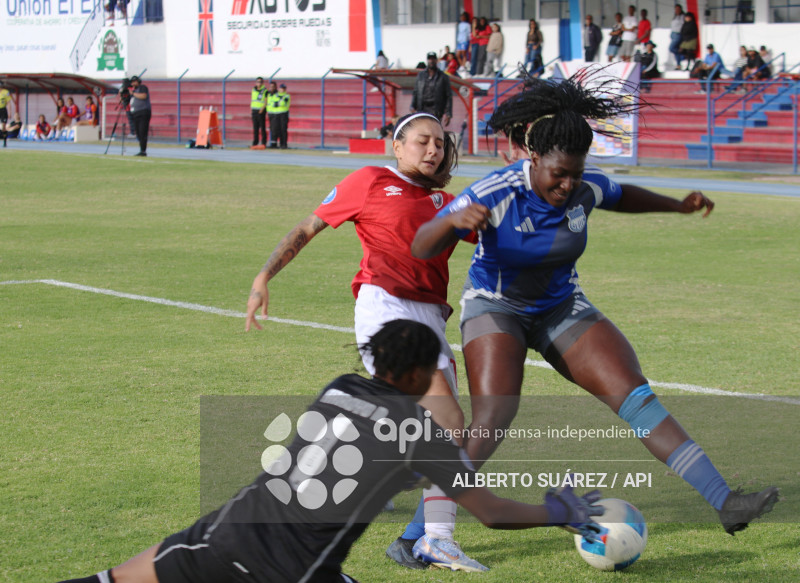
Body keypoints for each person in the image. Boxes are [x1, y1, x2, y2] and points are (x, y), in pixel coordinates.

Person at [410, 76, 780, 540]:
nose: (568, 184)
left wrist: (677, 208)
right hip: (495, 306)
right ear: (533, 157)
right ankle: (418, 531)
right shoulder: (496, 191)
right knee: (494, 416)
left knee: (635, 395)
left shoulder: (586, 187)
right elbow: (421, 245)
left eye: (576, 173)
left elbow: (623, 196)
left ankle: (725, 501)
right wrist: (450, 222)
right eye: (557, 173)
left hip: (561, 306)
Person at [56, 319, 604, 583]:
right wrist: (558, 511)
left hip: (229, 526)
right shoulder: (422, 437)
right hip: (288, 569)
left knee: (116, 580)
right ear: (420, 373)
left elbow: (364, 451)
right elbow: (492, 513)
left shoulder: (339, 386)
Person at [245, 112, 482, 571]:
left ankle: (341, 481)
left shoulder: (447, 203)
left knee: (407, 421)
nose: (432, 150)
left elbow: (496, 240)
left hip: (431, 315)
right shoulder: (370, 180)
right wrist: (263, 275)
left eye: (439, 143)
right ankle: (434, 537)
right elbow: (307, 228)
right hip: (385, 306)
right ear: (397, 146)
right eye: (421, 141)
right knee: (449, 420)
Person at [410, 52, 453, 126]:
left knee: (433, 129)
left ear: (436, 60)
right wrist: (412, 105)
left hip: (436, 109)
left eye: (433, 59)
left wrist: (448, 114)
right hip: (422, 109)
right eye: (430, 59)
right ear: (427, 60)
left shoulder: (443, 77)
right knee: (422, 130)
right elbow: (416, 92)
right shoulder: (421, 75)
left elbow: (448, 95)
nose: (431, 61)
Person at [129, 76, 151, 157]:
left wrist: (133, 93)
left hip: (143, 112)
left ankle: (143, 150)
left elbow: (143, 96)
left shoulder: (142, 88)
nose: (133, 83)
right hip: (135, 113)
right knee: (138, 132)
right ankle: (141, 149)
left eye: (134, 81)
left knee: (142, 131)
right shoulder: (133, 91)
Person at [271, 83, 290, 149]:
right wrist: (278, 103)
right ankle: (275, 143)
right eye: (281, 88)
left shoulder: (287, 96)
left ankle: (284, 144)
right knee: (276, 129)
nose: (282, 90)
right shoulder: (275, 95)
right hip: (276, 114)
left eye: (284, 88)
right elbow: (272, 103)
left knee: (283, 129)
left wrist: (277, 103)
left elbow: (283, 103)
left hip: (284, 114)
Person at [250, 76, 268, 149]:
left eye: (260, 82)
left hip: (261, 111)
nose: (259, 83)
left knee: (262, 127)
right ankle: (255, 142)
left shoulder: (265, 90)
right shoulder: (253, 90)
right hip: (254, 110)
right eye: (258, 82)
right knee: (255, 127)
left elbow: (266, 101)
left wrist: (262, 109)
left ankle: (263, 142)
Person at [670, 4, 685, 69]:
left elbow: (682, 26)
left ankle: (682, 55)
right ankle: (678, 64)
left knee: (671, 48)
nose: (677, 10)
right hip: (673, 34)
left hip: (678, 34)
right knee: (676, 50)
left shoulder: (682, 17)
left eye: (678, 9)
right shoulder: (675, 16)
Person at [266, 81, 279, 148]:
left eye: (273, 86)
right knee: (271, 128)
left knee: (274, 128)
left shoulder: (277, 94)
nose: (272, 88)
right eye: (271, 86)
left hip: (275, 113)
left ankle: (274, 143)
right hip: (270, 113)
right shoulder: (268, 94)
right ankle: (272, 142)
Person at [0, 80, 11, 145]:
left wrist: (9, 112)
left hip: (3, 110)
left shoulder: (6, 92)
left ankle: (4, 141)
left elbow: (9, 103)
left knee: (3, 126)